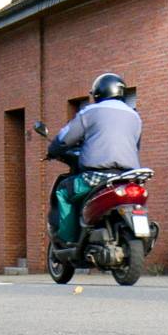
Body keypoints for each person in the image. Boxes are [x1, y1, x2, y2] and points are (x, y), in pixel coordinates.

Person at [48, 73, 142, 251]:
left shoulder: (90, 112)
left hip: (97, 176)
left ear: (98, 93)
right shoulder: (135, 116)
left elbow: (65, 137)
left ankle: (68, 240)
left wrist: (53, 150)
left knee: (63, 191)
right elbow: (136, 146)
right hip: (127, 177)